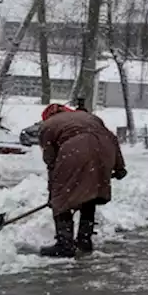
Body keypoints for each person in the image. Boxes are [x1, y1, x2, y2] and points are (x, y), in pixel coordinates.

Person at [38, 103, 127, 257]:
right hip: (105, 152)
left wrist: (53, 193)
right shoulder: (90, 117)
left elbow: (51, 161)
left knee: (62, 197)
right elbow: (110, 137)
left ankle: (64, 244)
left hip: (75, 150)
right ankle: (84, 240)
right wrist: (119, 167)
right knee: (90, 193)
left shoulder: (48, 125)